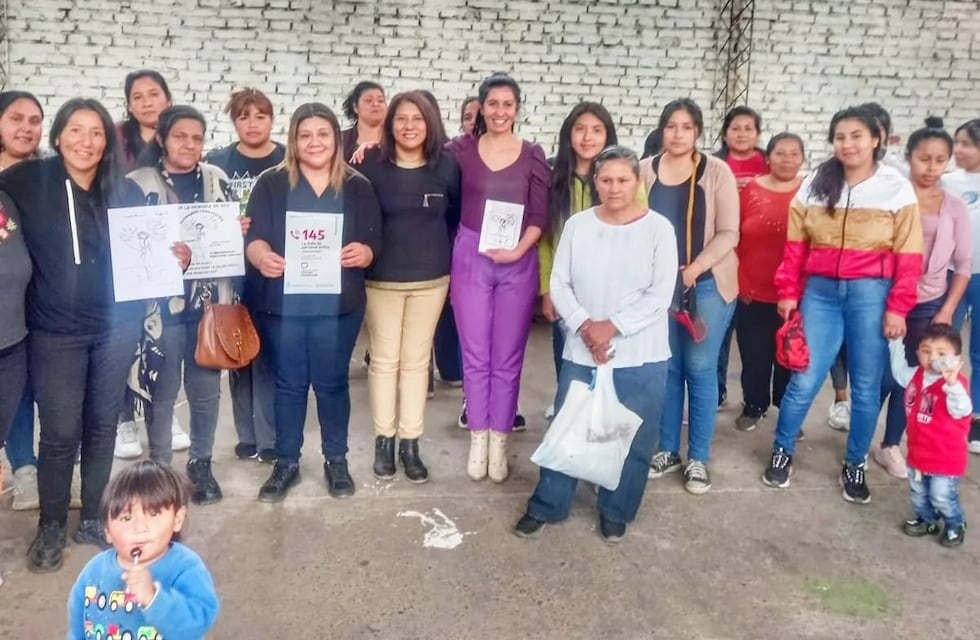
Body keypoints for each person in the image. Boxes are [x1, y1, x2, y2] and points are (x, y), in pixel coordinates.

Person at [0, 99, 173, 572]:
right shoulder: (26, 182)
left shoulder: (125, 192)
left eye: (96, 133)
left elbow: (152, 251)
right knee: (58, 434)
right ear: (56, 137)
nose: (86, 142)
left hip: (115, 329)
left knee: (100, 427)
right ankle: (51, 526)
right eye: (75, 131)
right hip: (53, 332)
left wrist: (170, 257)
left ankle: (94, 519)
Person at [514, 145, 676, 542]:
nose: (614, 188)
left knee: (633, 436)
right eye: (605, 180)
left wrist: (612, 327)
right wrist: (587, 325)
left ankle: (616, 509)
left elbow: (660, 294)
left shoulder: (658, 229)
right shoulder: (578, 225)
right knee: (568, 429)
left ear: (638, 182)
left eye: (623, 180)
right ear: (595, 182)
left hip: (641, 353)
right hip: (582, 347)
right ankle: (548, 505)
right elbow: (560, 283)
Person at [762, 106, 922, 503]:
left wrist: (898, 306)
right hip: (820, 293)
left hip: (871, 293)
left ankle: (855, 463)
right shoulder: (817, 182)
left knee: (866, 387)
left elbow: (909, 254)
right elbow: (796, 245)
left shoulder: (896, 187)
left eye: (856, 136)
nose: (847, 144)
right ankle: (782, 450)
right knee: (804, 377)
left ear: (876, 139)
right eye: (840, 137)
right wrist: (788, 289)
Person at [245, 103, 381, 501]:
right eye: (306, 135)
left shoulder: (357, 186)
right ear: (293, 140)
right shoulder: (271, 183)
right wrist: (260, 256)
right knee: (288, 384)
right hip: (283, 305)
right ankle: (286, 462)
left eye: (323, 134)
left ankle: (335, 460)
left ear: (336, 139)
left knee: (332, 383)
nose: (315, 142)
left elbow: (376, 240)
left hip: (338, 305)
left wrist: (365, 253)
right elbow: (253, 239)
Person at [125, 105, 245, 505]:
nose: (189, 145)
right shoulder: (136, 183)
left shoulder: (217, 179)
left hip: (207, 307)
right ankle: (160, 470)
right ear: (161, 138)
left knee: (206, 390)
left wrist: (238, 232)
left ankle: (201, 464)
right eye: (180, 136)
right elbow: (126, 246)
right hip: (157, 311)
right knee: (161, 390)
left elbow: (231, 243)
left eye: (197, 138)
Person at [446, 72, 549, 483]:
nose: (500, 111)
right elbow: (415, 153)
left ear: (517, 109)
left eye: (508, 104)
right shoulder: (460, 151)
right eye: (493, 104)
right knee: (475, 355)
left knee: (507, 357)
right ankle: (478, 437)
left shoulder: (533, 154)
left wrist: (520, 250)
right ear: (481, 109)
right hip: (471, 253)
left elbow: (539, 215)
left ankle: (500, 439)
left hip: (517, 258)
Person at [356, 91, 460, 483]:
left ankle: (410, 443)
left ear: (430, 123)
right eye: (401, 118)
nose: (410, 125)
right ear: (389, 123)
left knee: (417, 362)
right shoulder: (370, 164)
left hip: (432, 278)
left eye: (418, 118)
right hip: (381, 278)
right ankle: (384, 439)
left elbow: (454, 217)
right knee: (384, 359)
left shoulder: (447, 166)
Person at [642, 99, 739, 495]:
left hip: (708, 284)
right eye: (671, 126)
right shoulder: (645, 171)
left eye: (686, 127)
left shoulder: (717, 172)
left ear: (698, 132)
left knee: (699, 369)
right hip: (659, 288)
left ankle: (698, 457)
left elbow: (729, 232)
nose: (678, 134)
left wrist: (694, 269)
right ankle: (668, 449)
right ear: (662, 130)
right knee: (667, 368)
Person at [874, 120, 971, 478]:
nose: (931, 168)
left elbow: (963, 265)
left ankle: (890, 445)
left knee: (909, 378)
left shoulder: (955, 206)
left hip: (929, 301)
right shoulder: (890, 196)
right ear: (909, 158)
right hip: (883, 295)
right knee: (878, 376)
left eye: (939, 160)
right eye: (923, 159)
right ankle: (856, 447)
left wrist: (947, 309)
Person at [541, 103, 640, 417]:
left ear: (607, 134)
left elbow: (640, 232)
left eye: (597, 130)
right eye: (580, 129)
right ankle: (570, 415)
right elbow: (546, 239)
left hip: (614, 289)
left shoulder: (623, 175)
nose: (588, 137)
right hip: (567, 289)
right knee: (568, 357)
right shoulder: (553, 176)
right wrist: (547, 289)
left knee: (611, 357)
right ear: (569, 134)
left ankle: (606, 418)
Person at [205, 87, 285, 464]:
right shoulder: (218, 161)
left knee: (268, 353)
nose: (252, 124)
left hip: (274, 268)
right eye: (243, 116)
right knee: (237, 352)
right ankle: (246, 434)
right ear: (234, 121)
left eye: (260, 115)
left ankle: (269, 437)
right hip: (230, 271)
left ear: (272, 119)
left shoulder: (288, 159)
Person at [66, 460, 220, 639]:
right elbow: (78, 624)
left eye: (153, 514)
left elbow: (200, 621)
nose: (140, 528)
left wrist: (153, 599)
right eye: (126, 518)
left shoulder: (185, 567)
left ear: (177, 519)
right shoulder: (94, 571)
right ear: (107, 531)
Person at [733, 133, 805, 431]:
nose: (787, 159)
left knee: (791, 354)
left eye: (794, 154)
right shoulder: (749, 190)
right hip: (752, 288)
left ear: (802, 158)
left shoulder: (810, 192)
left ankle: (787, 411)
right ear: (768, 156)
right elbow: (732, 235)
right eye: (780, 153)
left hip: (798, 292)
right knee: (754, 352)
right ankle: (754, 404)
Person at [0, 90, 46, 512]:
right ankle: (23, 470)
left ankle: (44, 468)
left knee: (39, 387)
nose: (26, 128)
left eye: (35, 120)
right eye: (16, 118)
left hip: (45, 303)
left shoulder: (49, 174)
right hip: (7, 308)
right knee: (13, 394)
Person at [889, 324, 970, 547]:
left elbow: (962, 409)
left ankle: (955, 522)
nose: (932, 357)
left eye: (941, 353)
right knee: (918, 494)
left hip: (946, 458)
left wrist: (952, 384)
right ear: (918, 353)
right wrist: (895, 342)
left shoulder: (956, 385)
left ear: (956, 358)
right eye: (926, 350)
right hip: (917, 454)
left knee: (941, 496)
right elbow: (898, 371)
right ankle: (927, 520)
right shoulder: (915, 375)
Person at [715, 106, 767, 409]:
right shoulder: (715, 164)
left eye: (749, 128)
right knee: (720, 333)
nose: (742, 133)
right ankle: (717, 391)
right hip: (723, 258)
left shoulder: (768, 163)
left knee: (752, 339)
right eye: (736, 128)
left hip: (757, 261)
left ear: (758, 133)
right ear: (725, 133)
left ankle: (754, 399)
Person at [945, 118, 980, 454]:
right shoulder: (947, 182)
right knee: (945, 347)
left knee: (979, 352)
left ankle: (976, 418)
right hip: (951, 274)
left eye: (966, 143)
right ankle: (942, 409)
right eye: (957, 142)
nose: (958, 150)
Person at [116, 70, 173, 172]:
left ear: (168, 100)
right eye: (137, 97)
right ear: (129, 106)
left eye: (154, 95)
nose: (147, 103)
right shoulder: (116, 135)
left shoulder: (181, 135)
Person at [340, 81, 386, 161]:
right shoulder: (341, 140)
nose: (375, 104)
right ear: (355, 107)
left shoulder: (395, 138)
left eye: (380, 101)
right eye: (368, 100)